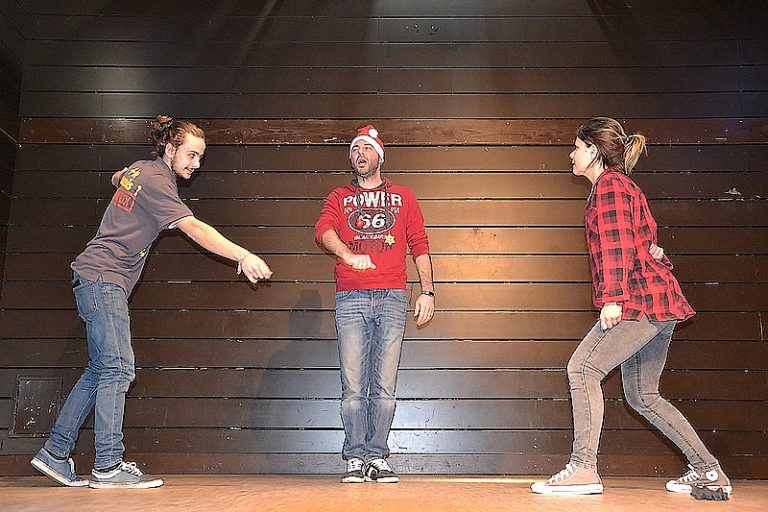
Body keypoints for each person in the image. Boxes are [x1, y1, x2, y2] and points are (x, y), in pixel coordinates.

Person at [31, 115, 273, 489]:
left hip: (92, 278)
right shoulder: (159, 181)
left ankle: (55, 453)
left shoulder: (141, 170)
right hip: (104, 278)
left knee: (101, 369)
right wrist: (242, 255)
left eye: (200, 157)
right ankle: (108, 465)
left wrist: (125, 180)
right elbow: (194, 227)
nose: (196, 164)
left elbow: (117, 177)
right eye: (191, 155)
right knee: (118, 369)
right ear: (170, 149)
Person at [530, 117, 732, 497]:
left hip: (637, 303)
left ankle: (583, 469)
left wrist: (613, 298)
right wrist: (653, 258)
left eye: (576, 147)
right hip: (658, 305)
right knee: (643, 395)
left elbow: (617, 246)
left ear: (593, 151)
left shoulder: (608, 187)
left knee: (582, 368)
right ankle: (708, 471)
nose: (571, 155)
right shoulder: (626, 186)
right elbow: (647, 244)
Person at [314, 125, 435, 483]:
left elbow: (420, 244)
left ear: (380, 156)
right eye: (355, 150)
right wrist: (348, 255)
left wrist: (428, 292)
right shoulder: (339, 196)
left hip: (393, 297)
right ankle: (355, 457)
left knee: (384, 387)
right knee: (353, 386)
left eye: (366, 148)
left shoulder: (404, 197)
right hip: (350, 297)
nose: (359, 154)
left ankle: (377, 457)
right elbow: (323, 230)